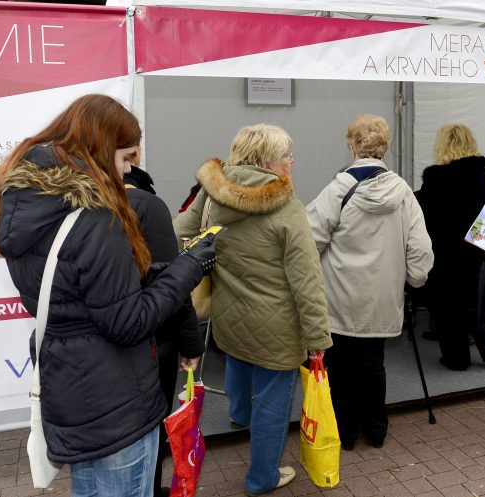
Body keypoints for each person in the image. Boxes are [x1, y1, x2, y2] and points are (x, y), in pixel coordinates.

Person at [0, 94, 217, 496]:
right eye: (125, 157)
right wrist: (189, 267)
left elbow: (75, 293)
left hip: (73, 390)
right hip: (116, 399)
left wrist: (155, 272)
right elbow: (127, 323)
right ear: (98, 148)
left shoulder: (25, 207)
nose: (129, 169)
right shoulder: (94, 218)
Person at [173, 124, 331, 497]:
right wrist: (317, 338)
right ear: (267, 162)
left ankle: (239, 415)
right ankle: (263, 479)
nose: (291, 161)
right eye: (286, 155)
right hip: (278, 326)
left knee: (240, 362)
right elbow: (307, 280)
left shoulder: (211, 195)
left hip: (230, 314)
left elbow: (177, 235)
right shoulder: (288, 208)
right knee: (273, 406)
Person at [306, 114, 433, 450]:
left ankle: (346, 433)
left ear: (352, 149)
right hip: (382, 300)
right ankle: (376, 430)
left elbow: (309, 239)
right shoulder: (403, 191)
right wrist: (415, 281)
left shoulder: (338, 189)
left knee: (342, 369)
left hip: (340, 299)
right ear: (384, 149)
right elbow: (420, 248)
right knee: (374, 364)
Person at [123, 158, 205, 497]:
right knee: (150, 425)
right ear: (131, 158)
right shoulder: (148, 206)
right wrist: (191, 345)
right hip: (154, 340)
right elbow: (171, 284)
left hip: (106, 343)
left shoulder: (81, 202)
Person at [416, 124, 485, 371]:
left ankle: (457, 358)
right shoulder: (479, 172)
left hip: (446, 253)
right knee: (479, 305)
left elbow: (426, 215)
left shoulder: (436, 177)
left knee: (448, 307)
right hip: (477, 249)